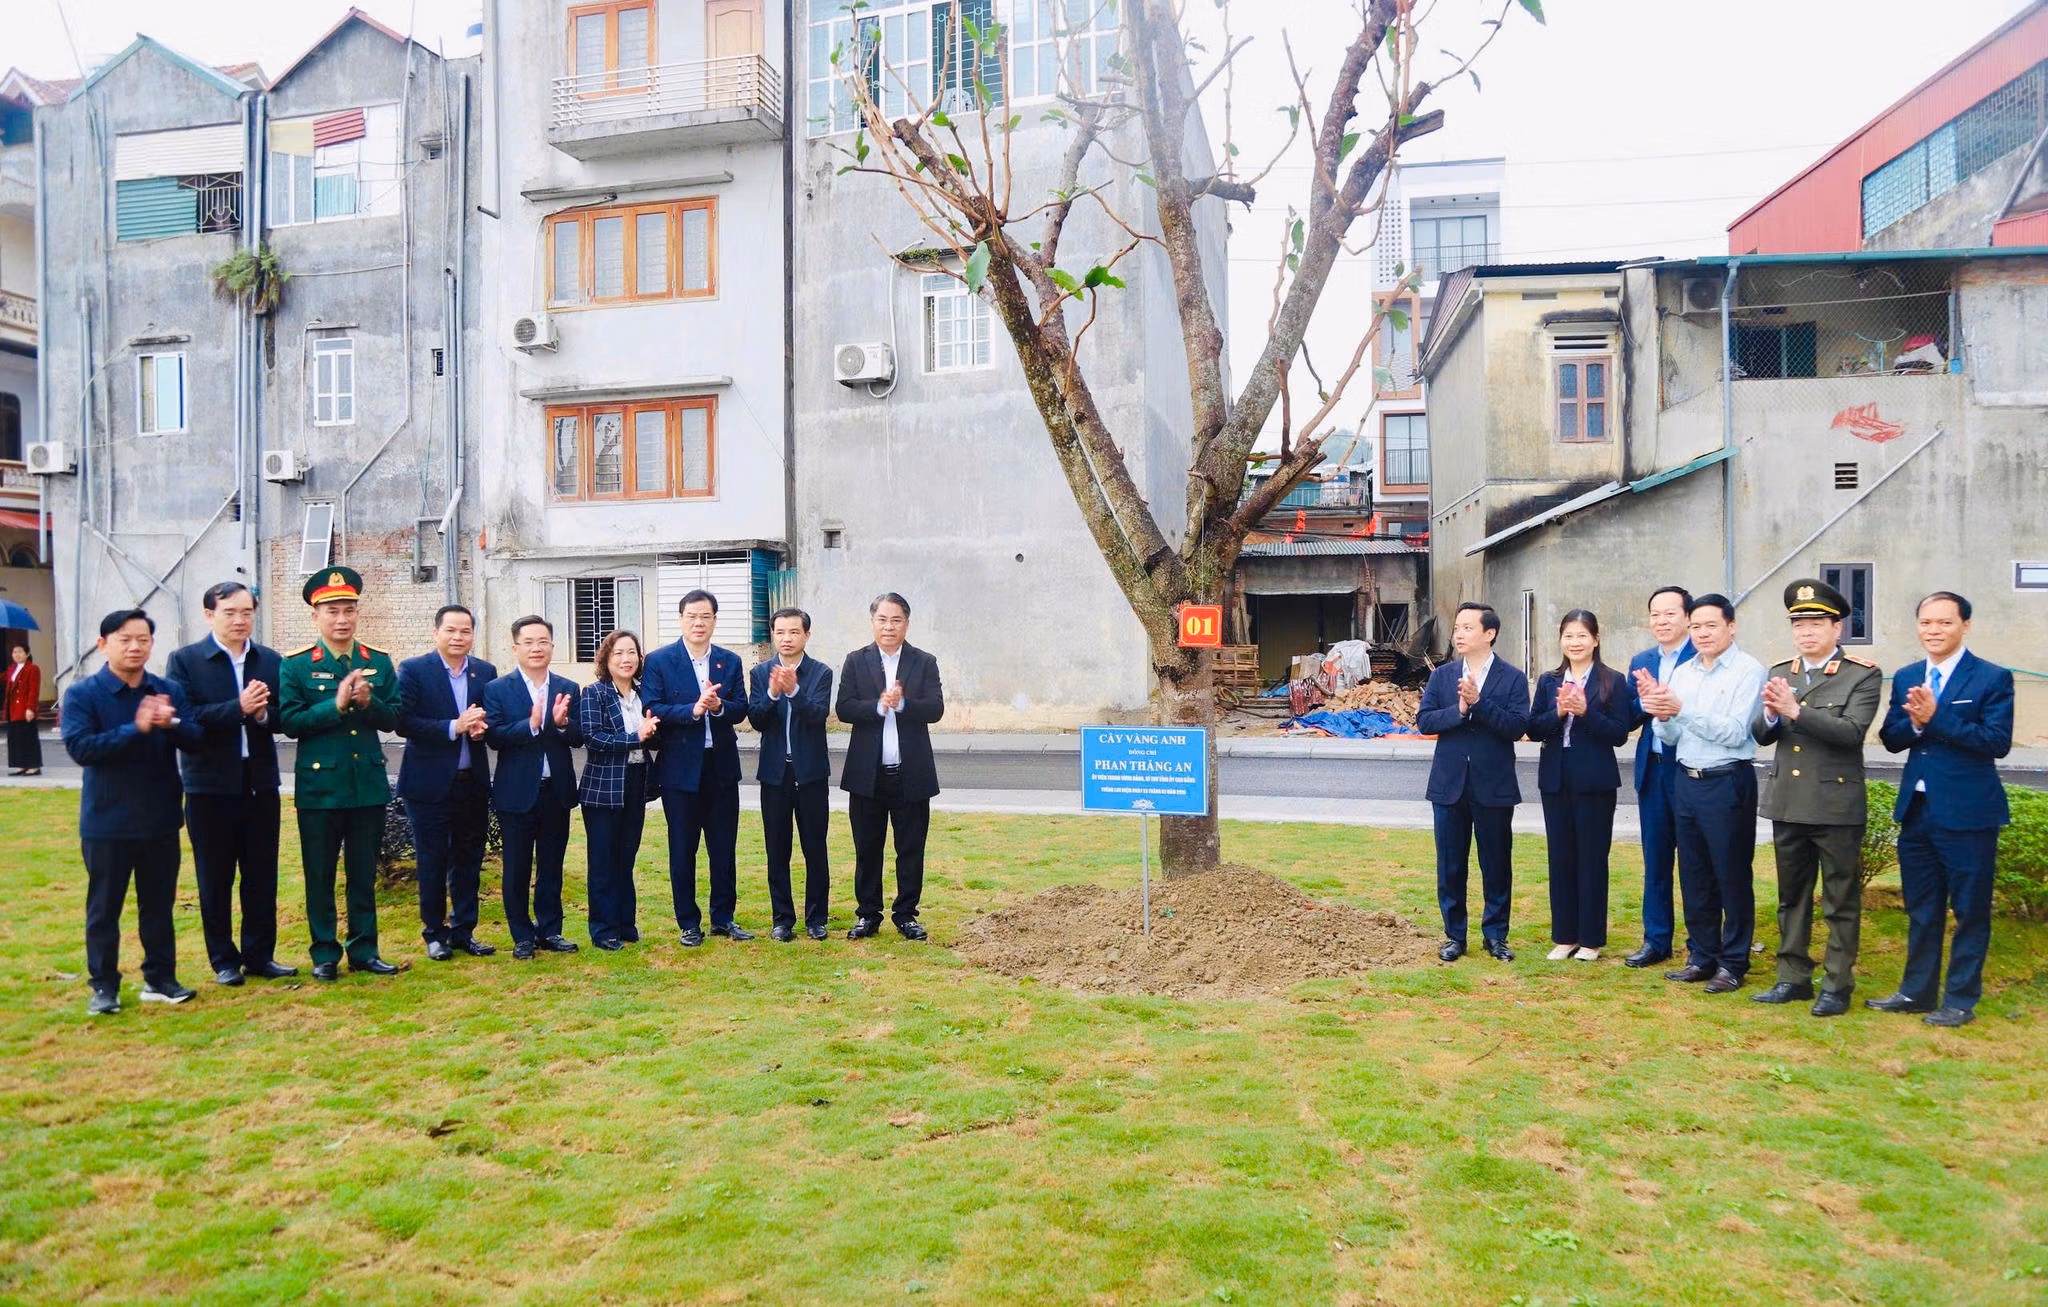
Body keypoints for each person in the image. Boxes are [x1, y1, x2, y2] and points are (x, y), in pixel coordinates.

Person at [1870, 591, 2015, 1029]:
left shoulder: (1991, 677)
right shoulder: (1909, 675)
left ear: (1965, 625)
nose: (1933, 631)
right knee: (1921, 907)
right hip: (1918, 810)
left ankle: (1960, 999)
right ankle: (1916, 991)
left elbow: (1996, 742)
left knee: (1969, 910)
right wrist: (1915, 723)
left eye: (1944, 622)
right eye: (1926, 622)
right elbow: (1891, 737)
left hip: (1969, 813)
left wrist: (1936, 718)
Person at [1749, 578, 1883, 1017]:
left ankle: (1837, 984)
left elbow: (1851, 732)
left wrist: (1795, 711)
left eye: (1816, 624)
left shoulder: (1861, 674)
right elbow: (1761, 733)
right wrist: (1772, 715)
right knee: (1792, 897)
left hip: (1834, 805)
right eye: (1799, 624)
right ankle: (1792, 977)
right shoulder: (1780, 672)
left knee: (1840, 900)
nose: (1806, 632)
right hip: (1789, 801)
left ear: (1836, 628)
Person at [62, 608, 204, 1014]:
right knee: (104, 910)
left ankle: (160, 978)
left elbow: (197, 739)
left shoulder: (165, 690)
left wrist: (171, 722)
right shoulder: (83, 694)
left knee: (158, 907)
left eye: (142, 639)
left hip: (159, 818)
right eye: (124, 639)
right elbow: (81, 748)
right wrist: (136, 729)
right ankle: (104, 986)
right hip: (107, 821)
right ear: (103, 644)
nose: (135, 647)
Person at [278, 567, 403, 982]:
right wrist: (335, 705)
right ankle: (324, 953)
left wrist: (368, 703)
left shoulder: (377, 661)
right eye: (332, 611)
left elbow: (395, 718)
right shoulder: (296, 665)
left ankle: (365, 950)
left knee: (362, 875)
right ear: (315, 616)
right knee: (320, 874)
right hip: (320, 788)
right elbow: (290, 722)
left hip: (366, 785)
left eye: (349, 610)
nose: (342, 619)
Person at [166, 582, 292, 987]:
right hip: (209, 786)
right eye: (230, 612)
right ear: (209, 615)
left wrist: (262, 715)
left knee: (261, 875)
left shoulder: (269, 660)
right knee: (215, 877)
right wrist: (237, 708)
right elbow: (187, 718)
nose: (240, 620)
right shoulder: (186, 661)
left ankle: (260, 955)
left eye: (247, 612)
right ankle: (223, 959)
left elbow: (283, 716)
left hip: (259, 784)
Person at [1640, 594, 1766, 995]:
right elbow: (1671, 735)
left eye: (1711, 625)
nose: (1702, 633)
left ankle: (1734, 961)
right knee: (1694, 873)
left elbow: (1735, 732)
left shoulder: (1749, 671)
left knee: (1731, 873)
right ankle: (1702, 955)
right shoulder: (1685, 671)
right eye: (1695, 626)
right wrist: (1662, 715)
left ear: (1731, 626)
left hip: (1726, 780)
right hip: (1685, 779)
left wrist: (1680, 710)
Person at [1416, 601, 1528, 962]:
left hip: (1493, 785)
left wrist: (1479, 704)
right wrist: (1460, 710)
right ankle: (1455, 935)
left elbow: (1516, 726)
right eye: (1457, 628)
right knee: (1450, 865)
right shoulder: (1442, 676)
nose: (1458, 634)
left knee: (1496, 864)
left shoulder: (1512, 677)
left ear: (1489, 633)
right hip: (1449, 785)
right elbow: (1425, 721)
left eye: (1467, 628)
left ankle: (1496, 936)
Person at [643, 589, 750, 947]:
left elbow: (741, 707)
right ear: (680, 619)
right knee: (682, 848)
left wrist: (718, 707)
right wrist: (694, 709)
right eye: (691, 616)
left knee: (723, 848)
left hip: (720, 768)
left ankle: (724, 918)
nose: (698, 623)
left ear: (715, 620)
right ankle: (688, 922)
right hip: (679, 770)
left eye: (705, 616)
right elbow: (652, 707)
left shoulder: (729, 661)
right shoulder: (659, 661)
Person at [837, 592, 945, 941]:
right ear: (873, 622)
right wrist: (878, 706)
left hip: (911, 773)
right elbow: (844, 708)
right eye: (882, 619)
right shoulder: (856, 660)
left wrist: (901, 704)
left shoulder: (923, 662)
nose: (888, 626)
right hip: (867, 775)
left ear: (906, 624)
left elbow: (935, 709)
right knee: (867, 849)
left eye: (896, 620)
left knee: (910, 848)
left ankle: (906, 914)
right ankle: (868, 915)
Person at [1525, 610, 1632, 962]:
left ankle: (1590, 939)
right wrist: (1558, 713)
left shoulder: (1612, 680)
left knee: (1592, 858)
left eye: (1582, 635)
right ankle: (1565, 936)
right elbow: (1533, 729)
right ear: (1561, 640)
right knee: (1561, 857)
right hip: (1556, 778)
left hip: (1595, 780)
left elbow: (1619, 733)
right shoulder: (1549, 681)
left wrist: (1587, 712)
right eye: (1568, 636)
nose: (1575, 642)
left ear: (1596, 640)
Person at [395, 605, 499, 962]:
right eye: (451, 630)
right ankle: (434, 933)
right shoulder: (414, 670)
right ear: (436, 632)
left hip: (472, 782)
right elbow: (403, 722)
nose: (458, 637)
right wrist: (454, 726)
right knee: (433, 861)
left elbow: (490, 720)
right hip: (428, 785)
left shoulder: (485, 672)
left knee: (469, 860)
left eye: (465, 631)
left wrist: (481, 729)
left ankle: (464, 930)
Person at [485, 615, 584, 960]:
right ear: (516, 648)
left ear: (552, 646)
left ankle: (550, 930)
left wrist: (562, 723)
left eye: (543, 641)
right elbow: (494, 737)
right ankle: (522, 935)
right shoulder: (498, 689)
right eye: (528, 642)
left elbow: (578, 737)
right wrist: (530, 725)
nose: (536, 648)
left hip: (556, 790)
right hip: (516, 793)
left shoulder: (568, 688)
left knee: (551, 866)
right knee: (516, 868)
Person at [747, 607, 835, 942]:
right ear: (773, 635)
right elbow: (757, 720)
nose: (786, 638)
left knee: (815, 847)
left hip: (810, 774)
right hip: (774, 774)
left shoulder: (821, 673)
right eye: (780, 632)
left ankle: (817, 918)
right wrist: (773, 693)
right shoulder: (760, 673)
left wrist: (794, 691)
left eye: (794, 632)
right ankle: (782, 919)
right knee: (777, 849)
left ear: (806, 635)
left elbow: (816, 716)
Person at [1623, 585, 1696, 969]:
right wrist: (1645, 699)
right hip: (1653, 770)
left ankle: (1701, 944)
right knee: (1656, 860)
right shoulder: (1643, 660)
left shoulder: (1702, 655)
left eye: (1670, 613)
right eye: (1655, 614)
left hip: (1690, 770)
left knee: (1696, 861)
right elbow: (1627, 716)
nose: (1661, 621)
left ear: (1688, 617)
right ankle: (1656, 940)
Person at [579, 628, 659, 950]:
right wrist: (635, 737)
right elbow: (593, 738)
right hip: (602, 787)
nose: (626, 659)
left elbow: (653, 736)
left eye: (632, 653)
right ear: (606, 658)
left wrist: (652, 733)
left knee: (626, 857)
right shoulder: (594, 693)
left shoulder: (644, 694)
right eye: (618, 653)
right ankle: (603, 930)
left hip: (636, 781)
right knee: (603, 861)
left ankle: (626, 924)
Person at [6, 643, 40, 775]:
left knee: (28, 737)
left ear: (27, 654)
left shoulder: (32, 668)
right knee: (16, 738)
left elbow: (33, 690)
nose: (17, 654)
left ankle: (34, 766)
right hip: (12, 709)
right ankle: (21, 765)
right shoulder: (12, 669)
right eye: (14, 652)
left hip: (25, 708)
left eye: (20, 652)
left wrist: (30, 708)